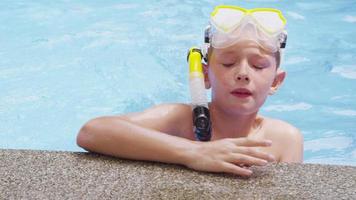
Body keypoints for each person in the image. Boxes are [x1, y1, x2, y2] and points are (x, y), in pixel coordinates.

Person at [76, 5, 303, 177]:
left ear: (276, 81)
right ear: (205, 75)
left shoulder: (284, 140)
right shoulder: (178, 120)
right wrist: (194, 152)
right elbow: (92, 131)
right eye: (228, 63)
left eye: (258, 66)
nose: (243, 73)